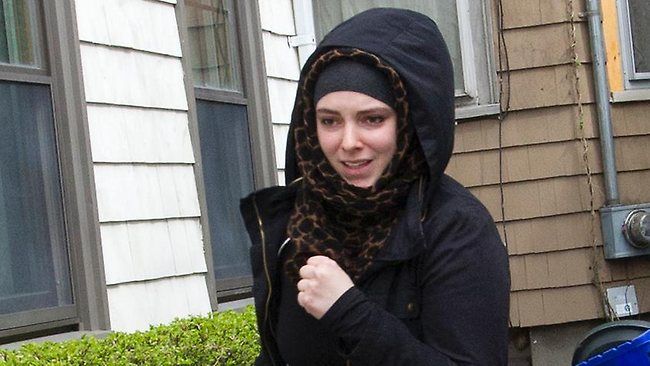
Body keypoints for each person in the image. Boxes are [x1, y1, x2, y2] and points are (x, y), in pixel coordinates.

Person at [240, 8, 510, 365]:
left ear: (408, 122)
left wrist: (350, 312)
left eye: (372, 119)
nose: (349, 142)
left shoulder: (454, 228)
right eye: (329, 120)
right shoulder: (297, 225)